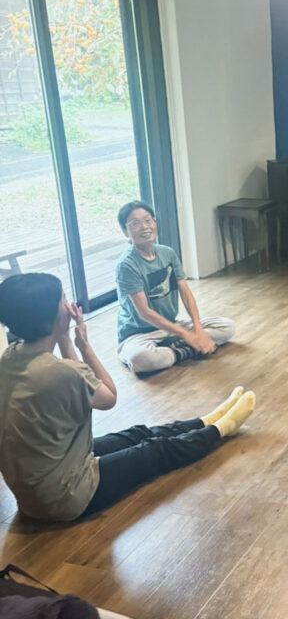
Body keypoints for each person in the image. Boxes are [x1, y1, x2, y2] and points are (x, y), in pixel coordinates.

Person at [0, 273, 255, 523]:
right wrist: (84, 345)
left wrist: (64, 337)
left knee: (136, 434)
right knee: (154, 450)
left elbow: (76, 378)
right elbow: (108, 396)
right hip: (66, 497)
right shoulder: (59, 372)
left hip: (36, 490)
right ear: (52, 317)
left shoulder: (9, 358)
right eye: (63, 299)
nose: (69, 305)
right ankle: (221, 429)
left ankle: (206, 420)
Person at [116, 200, 236, 373]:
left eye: (148, 220)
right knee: (141, 359)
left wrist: (198, 330)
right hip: (139, 334)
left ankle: (175, 349)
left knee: (227, 327)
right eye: (135, 223)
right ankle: (185, 349)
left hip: (171, 326)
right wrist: (186, 335)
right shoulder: (127, 265)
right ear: (125, 232)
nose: (144, 227)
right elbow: (144, 313)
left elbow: (185, 294)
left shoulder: (167, 253)